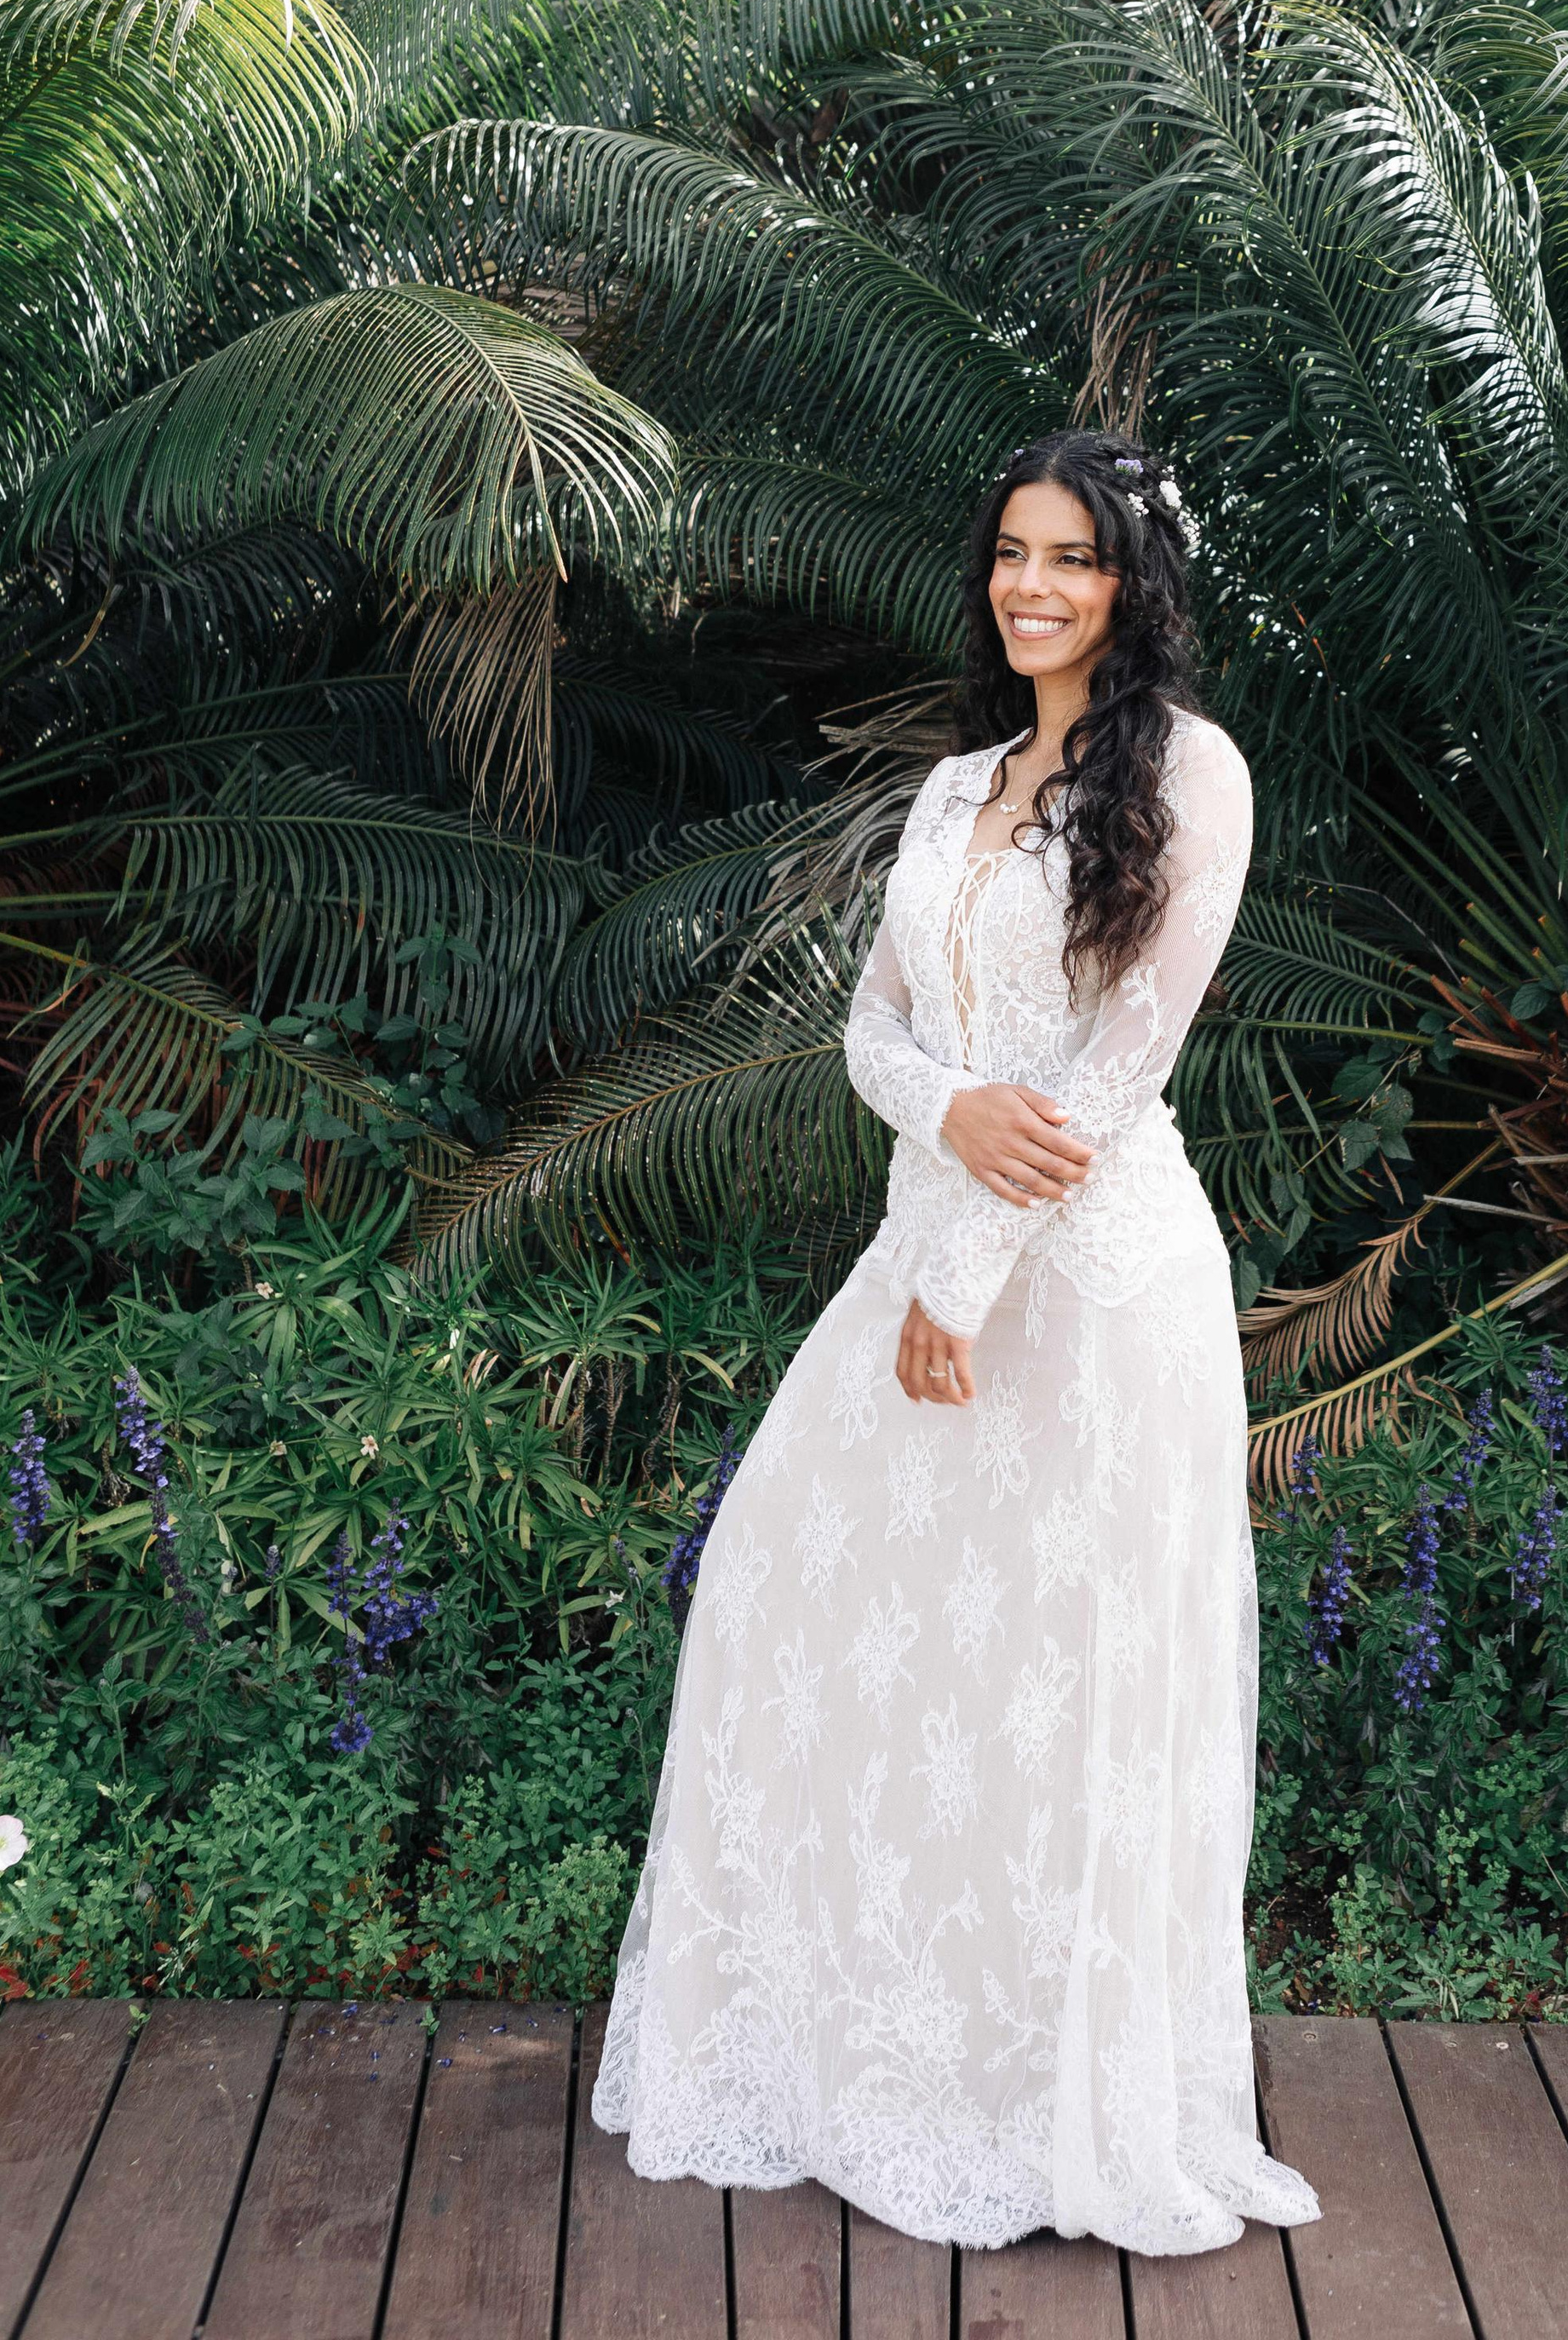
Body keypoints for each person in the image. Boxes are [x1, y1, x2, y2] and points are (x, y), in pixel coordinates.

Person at [589, 428, 1320, 2258]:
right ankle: (873, 2069)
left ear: (1132, 589)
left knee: (1064, 1681)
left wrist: (972, 1268)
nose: (1031, 586)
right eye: (1011, 550)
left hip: (1088, 1290)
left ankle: (1052, 2104)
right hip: (925, 1241)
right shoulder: (948, 788)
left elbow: (1120, 1060)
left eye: (1071, 559)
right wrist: (949, 1122)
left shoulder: (1196, 778)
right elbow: (866, 1036)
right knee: (818, 1620)